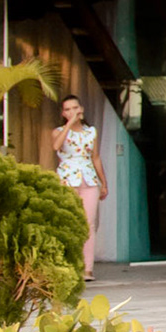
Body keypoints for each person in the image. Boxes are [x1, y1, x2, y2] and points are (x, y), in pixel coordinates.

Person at [51, 94, 107, 281]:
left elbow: (96, 158)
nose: (72, 112)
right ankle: (68, 265)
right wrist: (69, 124)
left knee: (88, 224)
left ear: (81, 109)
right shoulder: (59, 131)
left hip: (89, 180)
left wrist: (103, 183)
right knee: (69, 222)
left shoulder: (91, 132)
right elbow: (56, 146)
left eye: (75, 108)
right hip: (67, 179)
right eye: (67, 109)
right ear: (63, 113)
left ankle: (87, 268)